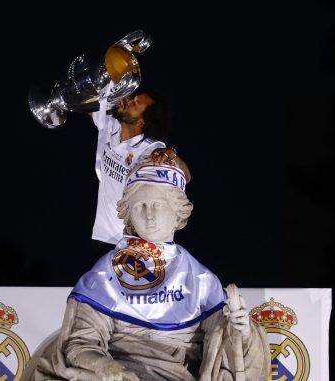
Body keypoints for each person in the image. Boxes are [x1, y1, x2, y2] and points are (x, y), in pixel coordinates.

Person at [23, 159, 271, 381]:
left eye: (157, 205)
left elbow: (227, 347)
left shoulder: (200, 280)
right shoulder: (105, 274)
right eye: (140, 206)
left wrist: (242, 331)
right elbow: (80, 343)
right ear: (128, 213)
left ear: (177, 214)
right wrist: (105, 367)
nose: (149, 215)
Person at [89, 82, 191, 247]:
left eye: (136, 103)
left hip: (134, 238)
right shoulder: (112, 127)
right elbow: (89, 105)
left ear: (142, 121)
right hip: (105, 235)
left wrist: (171, 153)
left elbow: (186, 176)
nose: (129, 101)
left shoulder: (150, 148)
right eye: (132, 99)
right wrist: (112, 100)